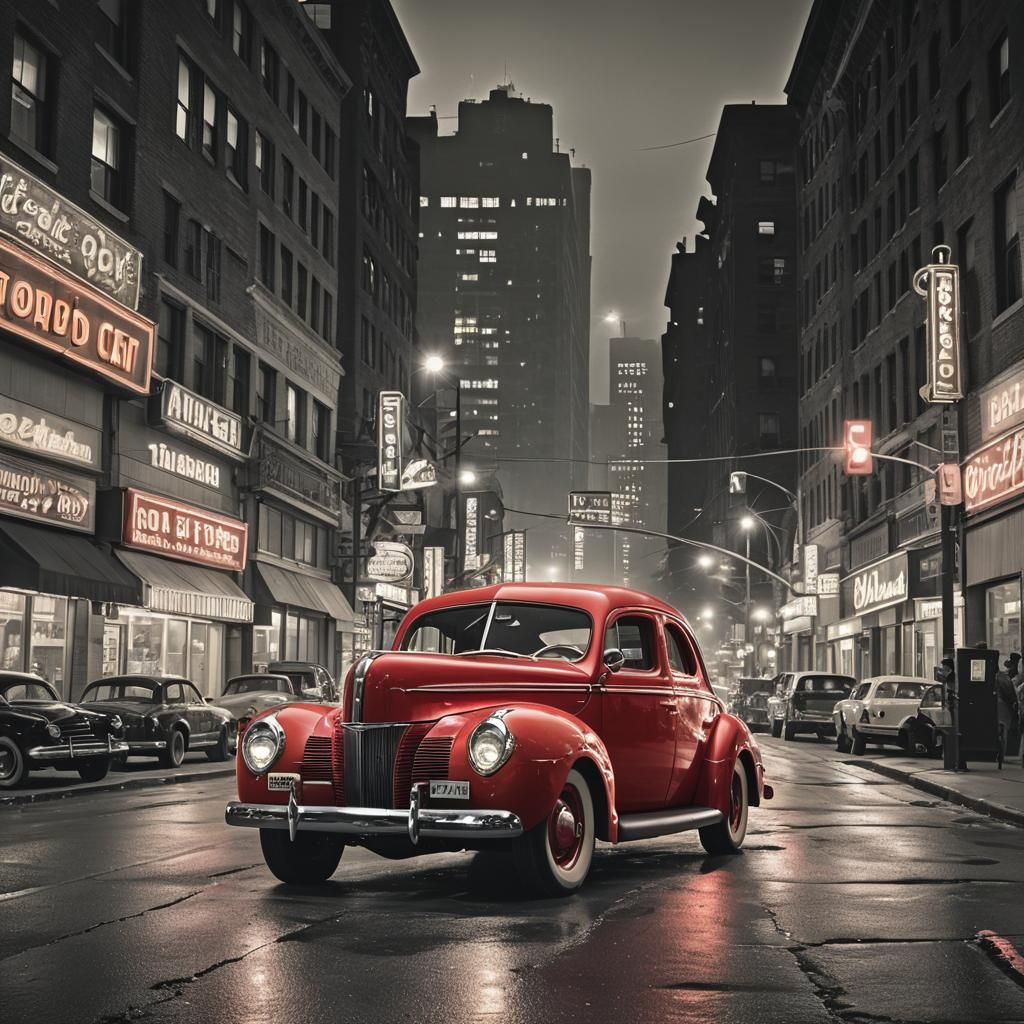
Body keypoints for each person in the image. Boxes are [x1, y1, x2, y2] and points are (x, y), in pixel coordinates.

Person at [994, 656, 1019, 757]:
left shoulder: (994, 678)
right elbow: (1011, 695)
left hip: (999, 707)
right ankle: (1001, 754)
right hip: (1005, 707)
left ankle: (995, 753)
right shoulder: (1005, 678)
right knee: (1003, 731)